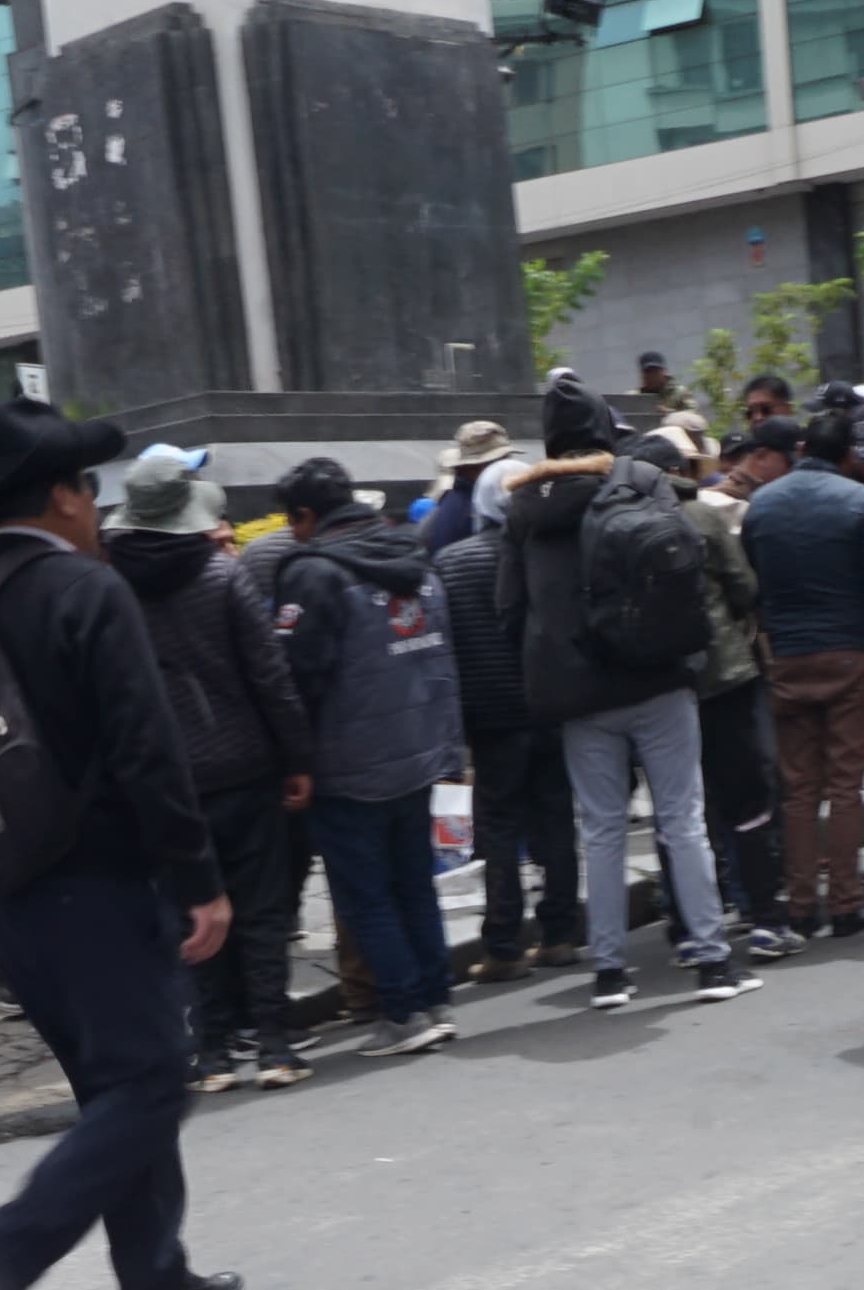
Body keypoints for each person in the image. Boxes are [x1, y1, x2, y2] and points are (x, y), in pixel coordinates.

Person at [0, 399, 239, 1290]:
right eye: (86, 489)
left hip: (12, 894)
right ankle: (9, 1240)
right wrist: (200, 878)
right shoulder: (84, 592)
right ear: (62, 496)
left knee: (118, 1087)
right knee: (151, 1082)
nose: (94, 508)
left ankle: (154, 1276)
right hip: (99, 889)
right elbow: (149, 753)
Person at [504, 372, 750, 1012]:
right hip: (656, 676)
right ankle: (713, 960)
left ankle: (610, 972)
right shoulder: (637, 483)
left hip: (580, 697)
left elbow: (508, 608)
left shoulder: (524, 511)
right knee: (683, 820)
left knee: (603, 829)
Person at [109, 451, 316, 1085]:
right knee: (261, 910)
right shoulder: (223, 577)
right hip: (245, 765)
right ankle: (274, 1046)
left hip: (164, 779)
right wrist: (298, 758)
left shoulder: (110, 588)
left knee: (191, 912)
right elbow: (270, 677)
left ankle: (214, 1049)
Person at [270, 457, 462, 1056]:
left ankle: (402, 1014)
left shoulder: (312, 575)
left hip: (347, 762)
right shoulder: (413, 557)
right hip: (419, 750)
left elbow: (295, 678)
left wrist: (293, 760)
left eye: (291, 519)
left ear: (307, 515)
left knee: (366, 896)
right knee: (414, 884)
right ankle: (433, 1000)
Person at [742, 404, 864, 939]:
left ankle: (801, 908)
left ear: (802, 450)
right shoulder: (860, 501)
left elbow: (750, 583)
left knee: (799, 788)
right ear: (850, 454)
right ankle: (847, 905)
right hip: (851, 652)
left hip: (786, 655)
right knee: (846, 784)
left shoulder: (761, 504)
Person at [435, 457, 585, 983]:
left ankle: (503, 946)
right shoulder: (545, 553)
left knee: (497, 829)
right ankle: (560, 934)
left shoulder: (452, 563)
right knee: (555, 820)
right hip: (549, 706)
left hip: (492, 718)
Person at [665, 431, 796, 958]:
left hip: (661, 689)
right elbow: (745, 588)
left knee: (682, 811)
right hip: (724, 676)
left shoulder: (606, 523)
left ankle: (688, 928)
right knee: (748, 799)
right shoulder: (700, 517)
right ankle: (765, 916)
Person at [420, 421, 513, 555]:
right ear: (472, 468)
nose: (507, 467)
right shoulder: (472, 507)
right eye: (500, 461)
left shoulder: (458, 500)